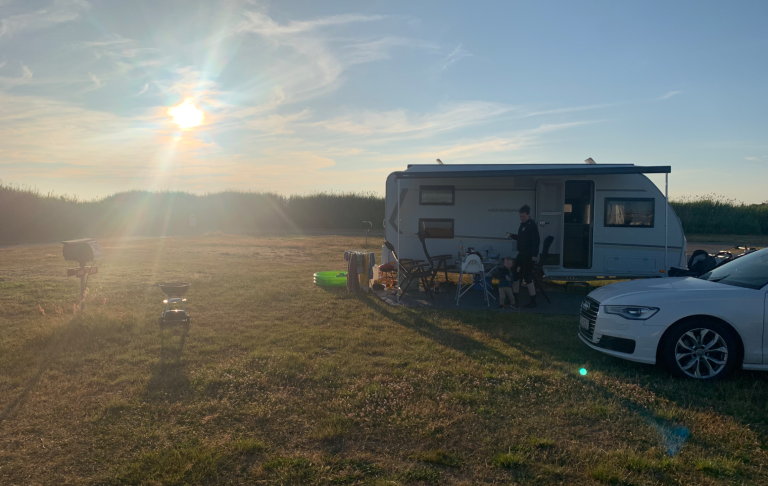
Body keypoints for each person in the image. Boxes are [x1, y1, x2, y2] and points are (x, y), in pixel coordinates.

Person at [506, 204, 540, 308]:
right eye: (520, 216)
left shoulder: (532, 225)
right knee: (516, 275)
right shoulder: (522, 225)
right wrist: (512, 235)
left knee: (527, 276)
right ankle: (514, 298)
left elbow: (536, 240)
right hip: (521, 254)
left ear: (528, 215)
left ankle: (533, 301)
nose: (522, 218)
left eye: (524, 216)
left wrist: (534, 255)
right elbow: (521, 238)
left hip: (528, 254)